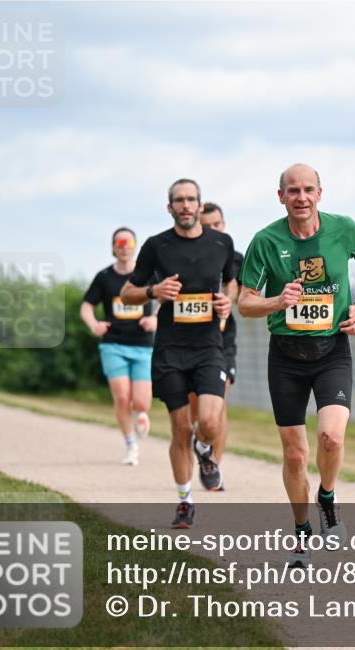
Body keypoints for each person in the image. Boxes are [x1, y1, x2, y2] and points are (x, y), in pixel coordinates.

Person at [238, 164, 355, 566]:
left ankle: (328, 498)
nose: (301, 197)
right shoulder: (266, 241)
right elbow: (245, 303)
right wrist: (277, 301)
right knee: (296, 454)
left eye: (308, 190)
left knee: (331, 438)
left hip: (332, 349)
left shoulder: (342, 229)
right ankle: (301, 532)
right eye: (293, 191)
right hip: (285, 355)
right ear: (280, 196)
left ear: (320, 193)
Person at [120, 179, 237, 528]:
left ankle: (206, 451)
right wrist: (153, 291)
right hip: (170, 350)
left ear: (200, 205)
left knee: (211, 423)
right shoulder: (157, 246)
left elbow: (230, 282)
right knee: (180, 429)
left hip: (208, 347)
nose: (186, 206)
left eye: (191, 200)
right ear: (169, 207)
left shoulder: (222, 242)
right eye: (179, 201)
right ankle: (185, 500)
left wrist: (225, 303)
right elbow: (128, 292)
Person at [81, 227, 157, 465]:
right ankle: (131, 445)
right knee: (122, 396)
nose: (124, 246)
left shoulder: (146, 274)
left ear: (135, 247)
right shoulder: (104, 277)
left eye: (128, 242)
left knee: (142, 402)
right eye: (119, 242)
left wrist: (155, 318)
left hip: (143, 345)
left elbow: (166, 297)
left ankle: (141, 414)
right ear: (113, 248)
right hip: (113, 344)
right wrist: (93, 324)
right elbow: (86, 306)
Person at [187, 201, 243, 489]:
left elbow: (246, 293)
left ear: (224, 224)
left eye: (217, 225)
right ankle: (201, 444)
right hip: (188, 341)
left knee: (219, 406)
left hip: (222, 342)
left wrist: (230, 298)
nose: (212, 230)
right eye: (206, 226)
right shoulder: (186, 255)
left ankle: (213, 470)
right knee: (197, 412)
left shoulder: (235, 258)